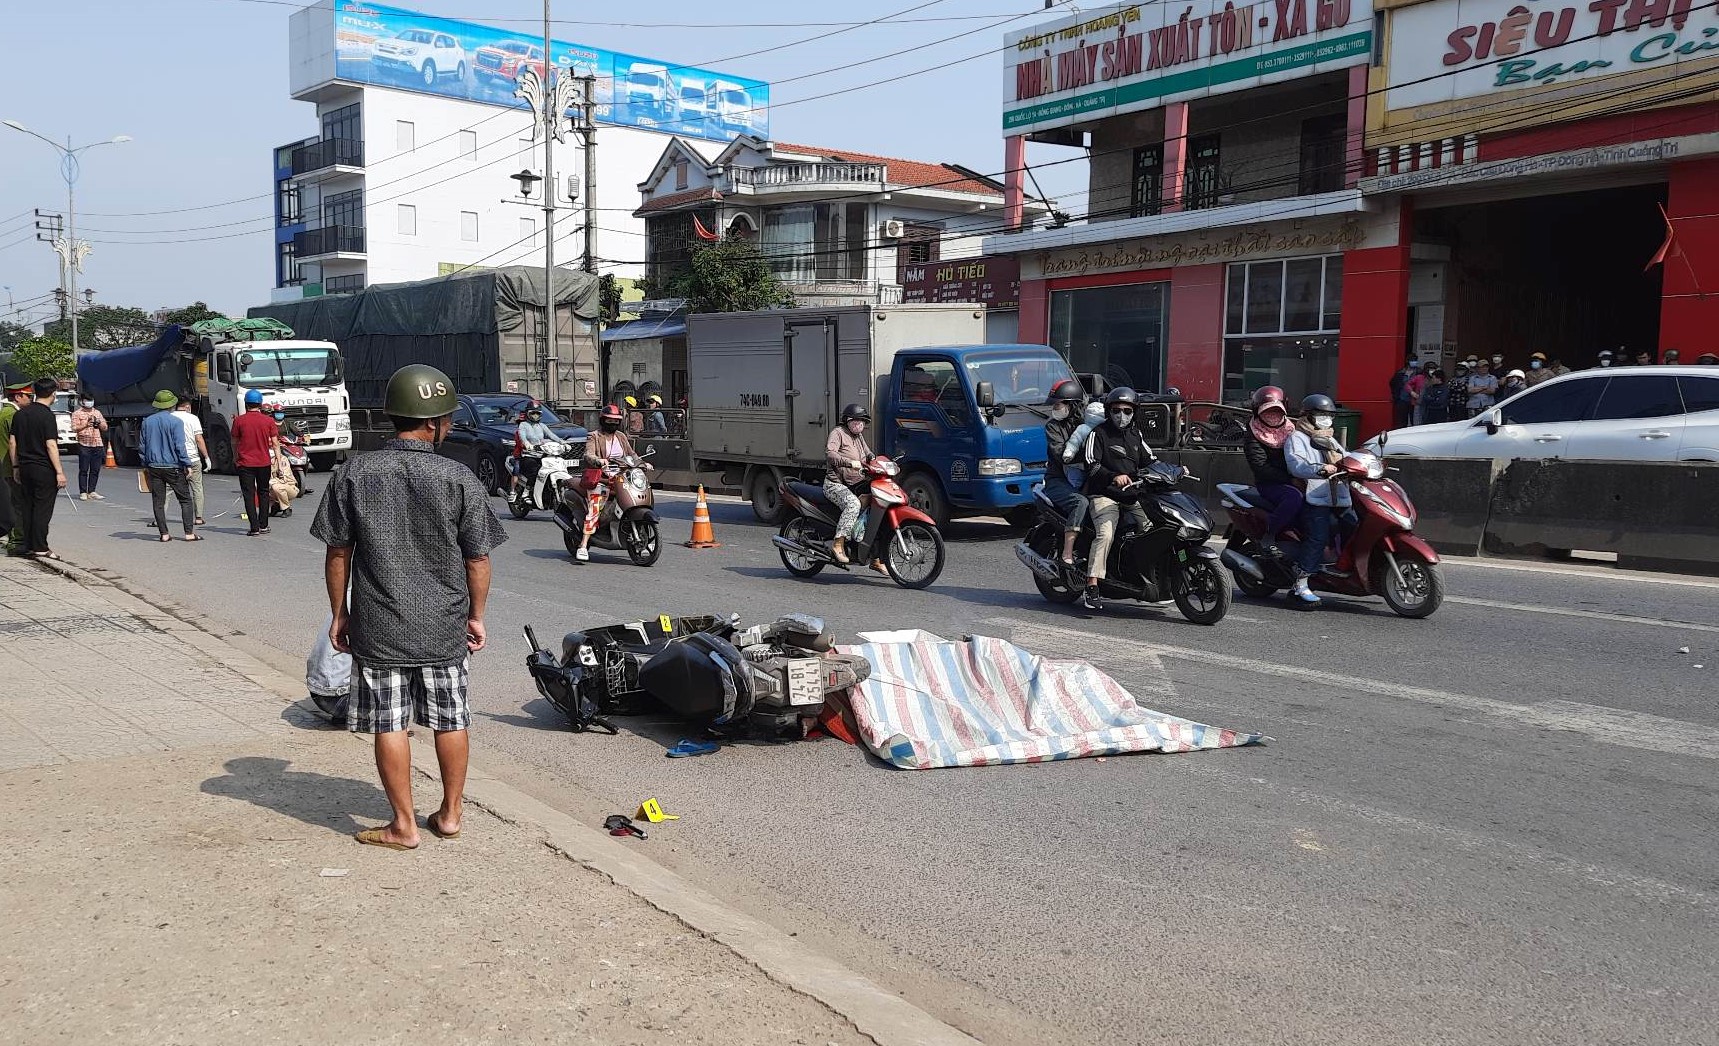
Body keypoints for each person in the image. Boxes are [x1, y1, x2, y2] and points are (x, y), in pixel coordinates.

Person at [311, 364, 506, 851]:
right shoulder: (457, 477)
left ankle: (403, 826)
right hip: (444, 625)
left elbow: (338, 552)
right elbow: (478, 557)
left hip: (378, 626)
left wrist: (340, 614)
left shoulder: (354, 472)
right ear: (435, 422)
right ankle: (452, 813)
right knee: (450, 718)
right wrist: (475, 615)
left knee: (389, 723)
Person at [1080, 386, 1156, 612]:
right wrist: (1114, 477)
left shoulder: (1136, 435)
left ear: (1135, 412)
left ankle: (1143, 577)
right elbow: (1091, 465)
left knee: (1152, 528)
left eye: (1127, 410)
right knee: (1105, 534)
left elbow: (1150, 460)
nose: (1121, 415)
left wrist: (1173, 470)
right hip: (1105, 495)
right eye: (1116, 410)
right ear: (1108, 411)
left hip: (1132, 495)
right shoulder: (1098, 434)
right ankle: (1092, 585)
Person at [1284, 394, 1356, 609]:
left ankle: (1343, 567)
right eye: (1321, 415)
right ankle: (1300, 584)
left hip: (1339, 496)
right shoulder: (1297, 438)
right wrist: (1319, 469)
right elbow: (1296, 464)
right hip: (1314, 497)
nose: (1326, 419)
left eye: (1329, 415)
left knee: (1354, 524)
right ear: (1309, 416)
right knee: (1318, 536)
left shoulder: (1329, 437)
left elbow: (1346, 457)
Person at [8, 377, 67, 559]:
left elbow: (12, 443)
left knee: (28, 506)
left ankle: (28, 544)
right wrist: (59, 472)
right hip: (43, 468)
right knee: (42, 508)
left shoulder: (20, 414)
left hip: (24, 467)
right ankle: (41, 547)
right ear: (53, 394)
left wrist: (16, 466)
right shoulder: (47, 415)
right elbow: (51, 445)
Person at [1241, 386, 1301, 560]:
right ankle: (1270, 533)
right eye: (1268, 412)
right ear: (1258, 412)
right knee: (1294, 497)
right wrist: (1291, 480)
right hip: (1270, 484)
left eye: (1277, 412)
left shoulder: (1292, 429)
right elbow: (1260, 466)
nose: (1273, 416)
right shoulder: (1254, 434)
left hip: (1298, 478)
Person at [575, 403, 638, 563]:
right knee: (594, 510)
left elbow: (632, 454)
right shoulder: (594, 436)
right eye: (610, 421)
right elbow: (588, 454)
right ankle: (583, 545)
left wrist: (644, 463)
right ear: (603, 420)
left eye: (616, 421)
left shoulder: (621, 437)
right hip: (601, 479)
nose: (613, 424)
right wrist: (598, 460)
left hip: (621, 478)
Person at [1040, 379, 1090, 571]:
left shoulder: (1089, 423)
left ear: (1072, 405)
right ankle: (1067, 553)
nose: (1055, 408)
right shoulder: (1053, 427)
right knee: (1081, 503)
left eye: (1058, 404)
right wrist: (1088, 454)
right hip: (1056, 481)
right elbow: (1061, 455)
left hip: (1086, 479)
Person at [140, 389, 198, 542]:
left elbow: (142, 446)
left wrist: (145, 464)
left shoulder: (147, 422)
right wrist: (187, 464)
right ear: (172, 405)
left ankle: (164, 534)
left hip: (154, 467)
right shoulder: (176, 422)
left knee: (158, 501)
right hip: (173, 467)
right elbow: (180, 445)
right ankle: (189, 533)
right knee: (185, 499)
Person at [823, 403, 874, 566]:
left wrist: (876, 461)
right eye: (856, 421)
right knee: (853, 505)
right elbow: (830, 454)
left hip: (855, 483)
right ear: (847, 421)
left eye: (862, 421)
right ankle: (838, 543)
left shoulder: (858, 436)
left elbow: (868, 454)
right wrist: (850, 463)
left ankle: (876, 555)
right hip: (835, 484)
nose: (859, 424)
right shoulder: (838, 433)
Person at [231, 389, 279, 536]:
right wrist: (278, 458)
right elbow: (275, 443)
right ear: (260, 404)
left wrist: (235, 456)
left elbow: (234, 441)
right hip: (264, 462)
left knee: (249, 494)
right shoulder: (269, 421)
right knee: (264, 493)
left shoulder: (239, 420)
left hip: (245, 463)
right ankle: (264, 525)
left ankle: (254, 527)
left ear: (246, 404)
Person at [0, 381, 31, 552]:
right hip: (10, 466)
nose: (31, 400)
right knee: (17, 505)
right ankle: (17, 541)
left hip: (4, 466)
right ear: (18, 396)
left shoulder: (3, 412)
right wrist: (17, 467)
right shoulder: (12, 415)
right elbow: (15, 443)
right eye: (29, 396)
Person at [174, 397, 211, 526]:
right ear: (188, 407)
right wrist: (206, 457)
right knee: (197, 489)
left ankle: (159, 518)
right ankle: (199, 517)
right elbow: (199, 439)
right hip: (193, 459)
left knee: (167, 490)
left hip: (175, 460)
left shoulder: (170, 418)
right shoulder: (193, 418)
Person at [70, 396, 108, 501]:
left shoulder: (97, 413)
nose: (89, 402)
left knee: (95, 469)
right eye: (87, 400)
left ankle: (92, 491)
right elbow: (74, 428)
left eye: (91, 400)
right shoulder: (77, 414)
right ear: (82, 402)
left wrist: (99, 423)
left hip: (97, 443)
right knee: (84, 469)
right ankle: (83, 492)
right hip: (84, 444)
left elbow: (105, 427)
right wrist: (85, 425)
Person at [511, 405, 551, 492]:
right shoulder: (519, 433)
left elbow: (542, 439)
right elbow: (522, 443)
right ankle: (513, 491)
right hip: (520, 456)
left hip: (536, 455)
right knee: (516, 472)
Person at [1389, 357, 1419, 429]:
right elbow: (1392, 383)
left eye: (1415, 360)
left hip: (1415, 400)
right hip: (1402, 399)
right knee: (1401, 421)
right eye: (1413, 360)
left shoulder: (1419, 372)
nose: (1415, 362)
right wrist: (1395, 395)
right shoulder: (1400, 373)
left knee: (1414, 421)